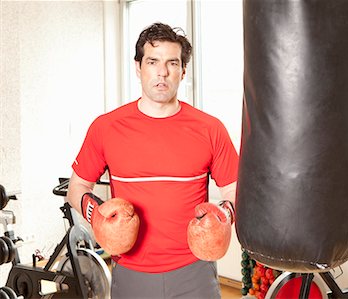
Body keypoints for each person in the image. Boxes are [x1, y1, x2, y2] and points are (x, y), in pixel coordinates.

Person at [67, 22, 239, 298]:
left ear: (183, 71)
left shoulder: (210, 128)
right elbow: (76, 189)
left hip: (194, 271)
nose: (162, 72)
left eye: (172, 63)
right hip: (131, 271)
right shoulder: (106, 127)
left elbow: (234, 190)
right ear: (138, 67)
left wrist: (224, 216)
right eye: (152, 61)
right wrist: (95, 215)